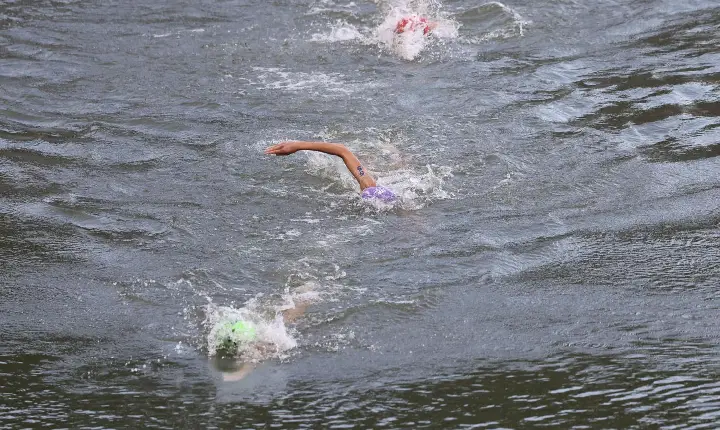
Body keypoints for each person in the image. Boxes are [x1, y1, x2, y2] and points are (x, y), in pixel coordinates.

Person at [265, 141, 397, 203]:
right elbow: (342, 150)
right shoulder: (369, 184)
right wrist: (299, 145)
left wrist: (300, 145)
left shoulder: (368, 185)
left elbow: (343, 150)